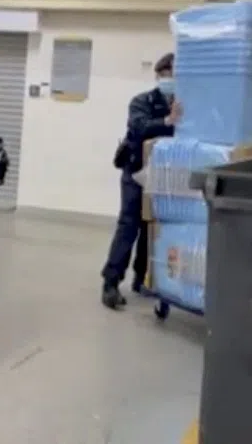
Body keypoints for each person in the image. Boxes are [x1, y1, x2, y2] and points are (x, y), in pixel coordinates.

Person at [102, 53, 181, 310]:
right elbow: (139, 127)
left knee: (152, 227)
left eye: (175, 76)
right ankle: (111, 282)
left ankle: (142, 278)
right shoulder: (142, 101)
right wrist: (168, 121)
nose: (170, 80)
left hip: (165, 175)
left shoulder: (183, 104)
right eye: (167, 75)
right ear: (159, 75)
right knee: (129, 224)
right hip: (136, 171)